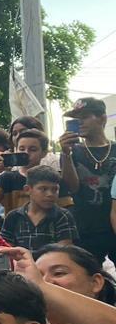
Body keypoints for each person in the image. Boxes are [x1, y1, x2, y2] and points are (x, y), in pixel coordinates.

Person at [59, 98, 116, 263]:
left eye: (84, 116)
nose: (79, 122)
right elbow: (72, 188)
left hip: (113, 224)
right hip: (84, 228)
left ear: (102, 118)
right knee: (87, 279)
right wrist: (66, 154)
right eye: (76, 118)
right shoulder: (72, 152)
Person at [1, 166, 78, 250]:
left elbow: (64, 252)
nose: (50, 194)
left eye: (55, 189)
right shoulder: (13, 217)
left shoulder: (63, 216)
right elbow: (6, 249)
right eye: (43, 189)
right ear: (27, 190)